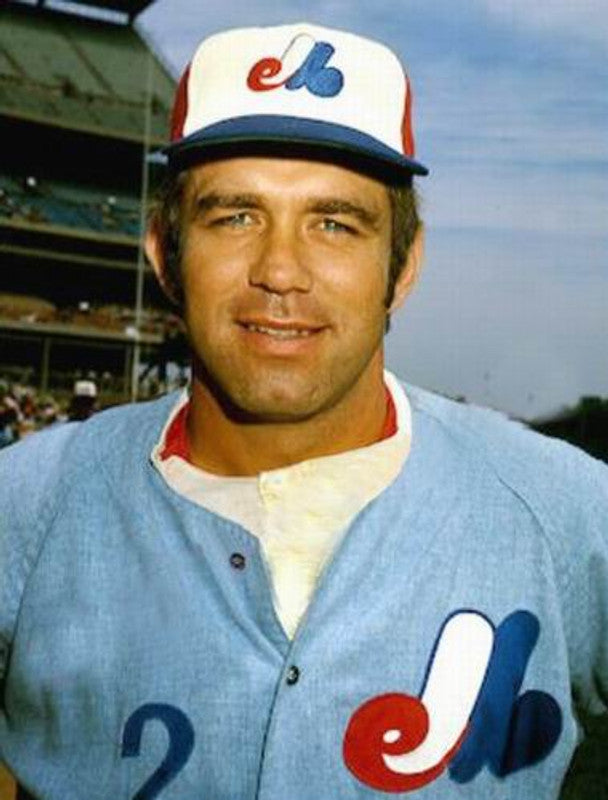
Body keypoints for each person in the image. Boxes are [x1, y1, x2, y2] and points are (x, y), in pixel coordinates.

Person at [0, 22, 606, 800]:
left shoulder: (566, 510)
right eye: (235, 217)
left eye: (334, 223)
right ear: (164, 254)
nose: (281, 271)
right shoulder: (25, 503)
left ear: (404, 266)